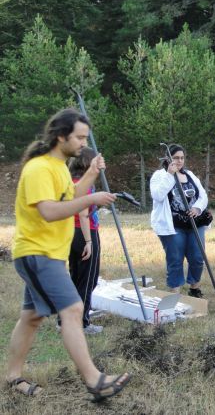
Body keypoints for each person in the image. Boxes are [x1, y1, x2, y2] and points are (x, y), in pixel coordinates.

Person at [6, 108, 131, 401]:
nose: (83, 144)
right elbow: (49, 211)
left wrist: (91, 173)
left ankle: (12, 377)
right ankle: (95, 380)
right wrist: (92, 198)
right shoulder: (39, 168)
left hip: (48, 253)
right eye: (78, 138)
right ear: (60, 136)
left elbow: (71, 199)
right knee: (73, 310)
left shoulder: (60, 167)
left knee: (32, 316)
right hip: (38, 252)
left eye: (85, 138)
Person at [150, 144, 208, 297]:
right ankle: (175, 293)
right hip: (173, 225)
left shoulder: (190, 174)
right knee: (175, 259)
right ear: (168, 158)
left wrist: (197, 208)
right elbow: (157, 195)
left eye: (182, 158)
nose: (180, 161)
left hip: (194, 223)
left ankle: (194, 288)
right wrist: (170, 175)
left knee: (197, 257)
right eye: (176, 158)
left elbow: (203, 196)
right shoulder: (159, 175)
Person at [66, 147, 103, 334]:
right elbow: (82, 213)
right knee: (87, 280)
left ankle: (64, 320)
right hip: (84, 233)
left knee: (75, 277)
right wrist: (89, 242)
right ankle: (82, 323)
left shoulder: (70, 181)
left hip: (69, 233)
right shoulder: (84, 183)